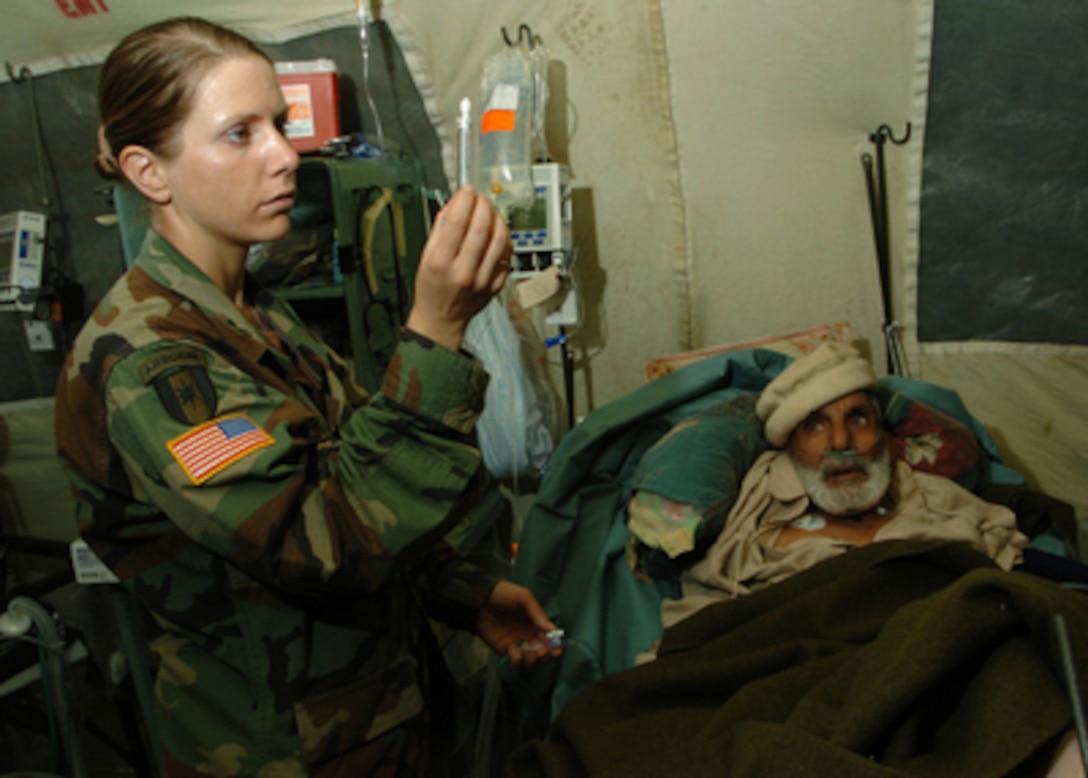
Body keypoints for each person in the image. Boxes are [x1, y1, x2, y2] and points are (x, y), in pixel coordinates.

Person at [54, 16, 558, 777]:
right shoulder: (151, 362)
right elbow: (326, 541)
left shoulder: (254, 313)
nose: (286, 156)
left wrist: (465, 594)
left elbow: (353, 474)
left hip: (379, 725)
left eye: (282, 126)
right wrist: (435, 332)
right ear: (149, 172)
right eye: (239, 134)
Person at [661, 341, 1028, 627]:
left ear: (884, 435)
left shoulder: (934, 500)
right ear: (789, 447)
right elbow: (704, 625)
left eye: (859, 420)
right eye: (815, 426)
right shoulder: (755, 524)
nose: (840, 442)